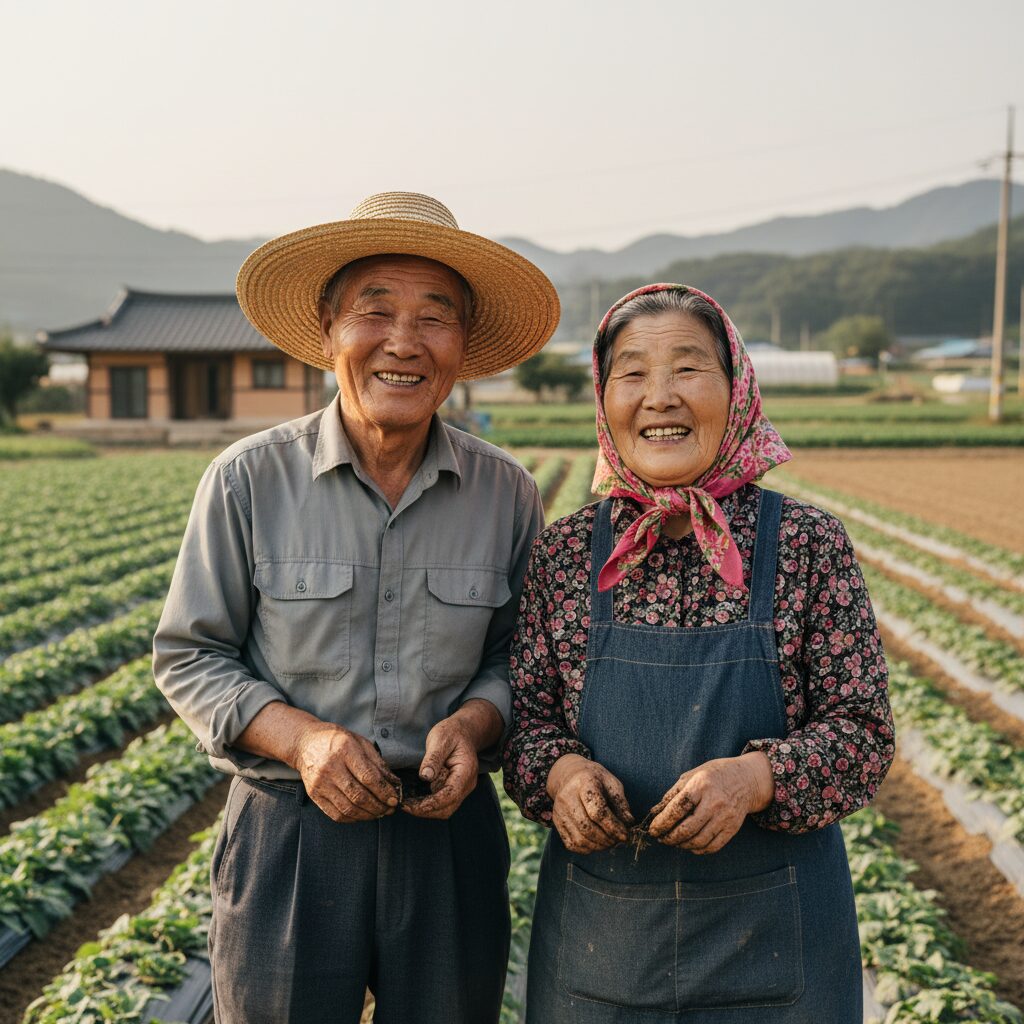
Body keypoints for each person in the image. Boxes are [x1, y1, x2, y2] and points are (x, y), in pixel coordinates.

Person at [153, 192, 559, 1024]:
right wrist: (303, 741)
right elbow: (189, 654)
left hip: (447, 838)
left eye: (434, 317)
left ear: (463, 346)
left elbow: (528, 659)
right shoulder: (248, 479)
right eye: (375, 310)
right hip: (288, 839)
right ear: (330, 330)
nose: (403, 342)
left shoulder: (506, 493)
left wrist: (477, 725)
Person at [503, 283, 895, 1023]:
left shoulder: (807, 546)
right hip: (602, 947)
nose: (660, 397)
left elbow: (865, 733)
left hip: (781, 948)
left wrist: (753, 780)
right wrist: (561, 775)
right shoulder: (563, 555)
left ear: (736, 386)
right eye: (633, 373)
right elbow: (525, 726)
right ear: (604, 396)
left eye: (687, 368)